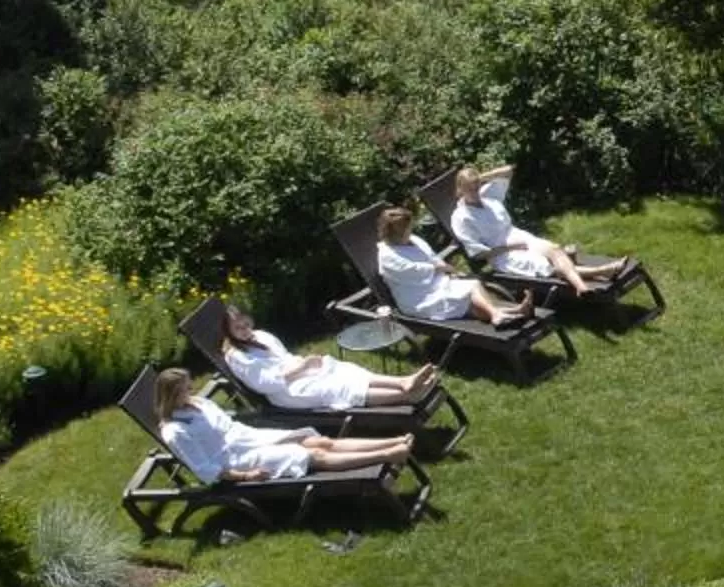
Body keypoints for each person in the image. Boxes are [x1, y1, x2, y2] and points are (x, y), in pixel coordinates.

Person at [152, 367, 412, 483]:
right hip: (238, 459)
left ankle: (393, 441)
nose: (192, 390)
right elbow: (205, 469)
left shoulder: (196, 403)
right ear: (171, 396)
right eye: (185, 389)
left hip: (248, 437)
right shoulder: (175, 431)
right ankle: (389, 454)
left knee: (321, 441)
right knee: (315, 455)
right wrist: (245, 476)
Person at [218, 301, 437, 412]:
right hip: (288, 392)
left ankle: (403, 382)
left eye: (247, 323)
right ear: (228, 331)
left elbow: (283, 357)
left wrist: (305, 364)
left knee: (346, 370)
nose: (245, 330)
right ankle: (407, 396)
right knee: (339, 388)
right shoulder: (238, 357)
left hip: (299, 373)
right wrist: (302, 368)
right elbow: (265, 384)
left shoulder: (260, 335)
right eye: (238, 328)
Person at [446, 165, 628, 295]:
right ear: (460, 189)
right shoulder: (461, 217)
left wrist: (481, 177)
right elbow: (477, 255)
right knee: (546, 266)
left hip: (519, 237)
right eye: (470, 189)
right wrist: (510, 248)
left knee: (554, 250)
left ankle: (580, 286)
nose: (475, 192)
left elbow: (509, 170)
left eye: (476, 187)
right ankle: (602, 271)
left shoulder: (487, 196)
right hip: (502, 254)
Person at [375, 204, 531, 325]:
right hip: (419, 298)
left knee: (473, 287)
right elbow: (410, 271)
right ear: (394, 233)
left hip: (438, 285)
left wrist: (448, 269)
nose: (410, 232)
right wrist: (437, 268)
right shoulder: (387, 255)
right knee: (468, 295)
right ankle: (501, 313)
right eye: (406, 231)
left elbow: (431, 256)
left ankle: (509, 311)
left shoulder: (414, 240)